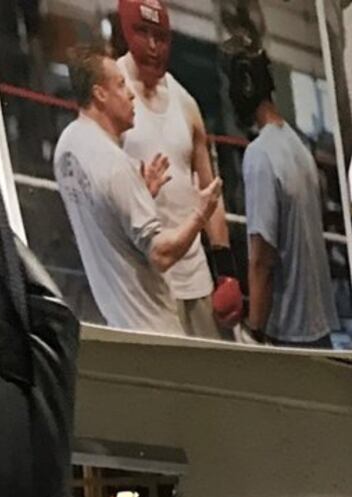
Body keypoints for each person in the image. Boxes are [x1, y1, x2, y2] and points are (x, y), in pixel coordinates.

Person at [53, 45, 222, 337]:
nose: (131, 93)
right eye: (120, 85)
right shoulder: (117, 166)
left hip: (118, 321)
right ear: (100, 94)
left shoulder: (67, 147)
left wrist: (141, 195)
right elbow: (161, 255)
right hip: (155, 330)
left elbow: (105, 210)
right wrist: (201, 213)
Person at [115, 0, 241, 339]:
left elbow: (210, 191)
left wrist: (226, 272)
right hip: (144, 281)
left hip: (195, 278)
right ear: (126, 32)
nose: (154, 47)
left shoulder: (186, 103)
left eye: (161, 36)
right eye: (143, 33)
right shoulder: (111, 96)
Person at [227, 43, 338, 350]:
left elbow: (261, 257)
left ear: (244, 86)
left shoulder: (260, 154)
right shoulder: (298, 145)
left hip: (288, 331)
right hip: (318, 325)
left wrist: (254, 331)